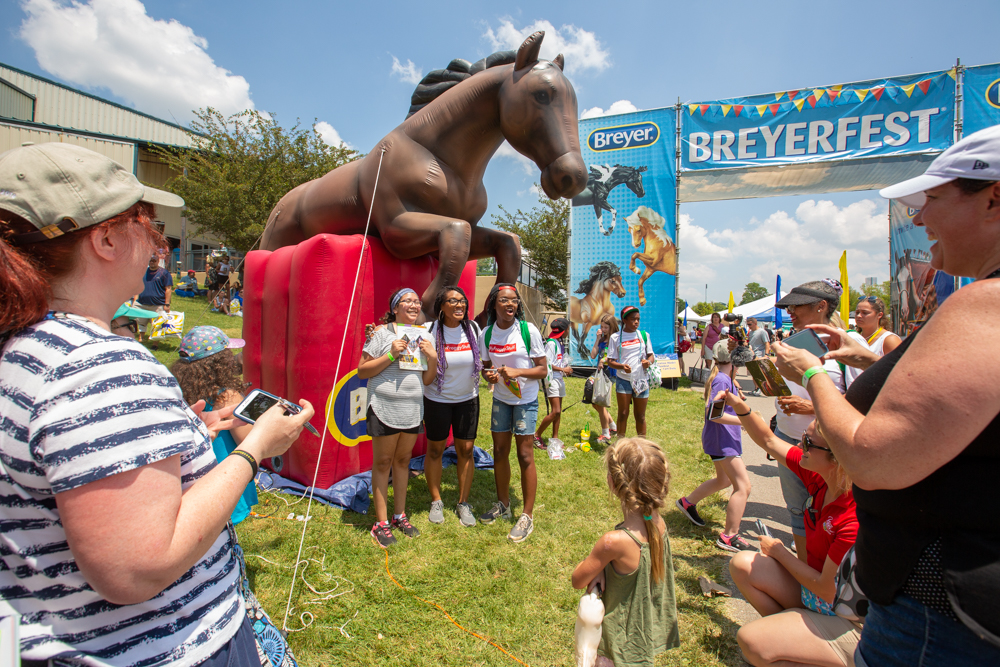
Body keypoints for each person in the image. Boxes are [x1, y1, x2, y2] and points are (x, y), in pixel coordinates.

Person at [0, 142, 314, 664]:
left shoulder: (26, 348)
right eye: (146, 227)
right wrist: (255, 447)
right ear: (103, 238)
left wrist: (175, 433)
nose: (158, 245)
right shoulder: (98, 366)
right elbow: (137, 567)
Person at [773, 126, 1000, 665]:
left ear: (994, 198)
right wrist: (875, 361)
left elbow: (874, 459)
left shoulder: (984, 305)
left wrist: (812, 374)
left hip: (936, 616)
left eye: (932, 199)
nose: (920, 218)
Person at [719, 392, 861, 667]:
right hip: (815, 594)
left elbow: (827, 589)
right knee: (743, 564)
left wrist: (780, 553)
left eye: (808, 442)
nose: (799, 444)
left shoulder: (852, 516)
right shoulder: (820, 474)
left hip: (843, 616)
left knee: (752, 642)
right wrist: (742, 408)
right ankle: (790, 638)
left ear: (836, 457)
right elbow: (769, 441)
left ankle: (803, 649)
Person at [571, 438, 680, 666]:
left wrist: (599, 566)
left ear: (613, 482)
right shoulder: (659, 524)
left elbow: (577, 579)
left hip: (618, 645)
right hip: (642, 639)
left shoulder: (613, 542)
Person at [771, 280, 847, 561]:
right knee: (797, 510)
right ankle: (807, 577)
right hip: (789, 439)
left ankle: (828, 580)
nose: (790, 311)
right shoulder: (793, 343)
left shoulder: (847, 345)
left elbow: (863, 401)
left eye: (797, 305)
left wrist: (810, 406)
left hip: (830, 451)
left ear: (821, 306)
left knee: (832, 514)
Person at [359, 287, 439, 548]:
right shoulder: (382, 333)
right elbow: (362, 370)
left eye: (417, 302)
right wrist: (391, 353)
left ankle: (399, 516)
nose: (414, 306)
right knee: (383, 463)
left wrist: (433, 358)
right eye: (408, 302)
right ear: (395, 308)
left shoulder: (424, 336)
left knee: (403, 461)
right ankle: (380, 523)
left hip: (412, 408)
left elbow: (426, 379)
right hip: (384, 406)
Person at [478, 283, 547, 542]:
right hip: (501, 400)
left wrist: (518, 372)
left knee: (525, 454)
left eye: (514, 300)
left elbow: (542, 370)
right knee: (499, 452)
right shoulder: (486, 334)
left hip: (525, 401)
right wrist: (490, 375)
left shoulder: (528, 331)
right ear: (494, 303)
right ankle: (504, 505)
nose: (510, 304)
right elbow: (486, 366)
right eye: (504, 300)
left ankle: (526, 516)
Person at [170, 326, 258, 526]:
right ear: (222, 362)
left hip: (195, 475)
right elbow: (249, 440)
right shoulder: (227, 396)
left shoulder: (178, 387)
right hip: (224, 478)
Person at [675, 341, 754, 552]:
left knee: (724, 480)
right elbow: (714, 414)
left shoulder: (725, 378)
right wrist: (746, 420)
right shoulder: (721, 380)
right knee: (743, 486)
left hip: (723, 440)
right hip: (723, 441)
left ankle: (687, 503)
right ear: (734, 360)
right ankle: (729, 536)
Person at [423, 286, 482, 527]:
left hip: (468, 399)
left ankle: (463, 502)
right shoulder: (430, 331)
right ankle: (436, 500)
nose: (459, 305)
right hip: (437, 400)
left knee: (466, 451)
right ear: (442, 306)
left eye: (462, 301)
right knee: (436, 450)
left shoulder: (474, 330)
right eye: (453, 301)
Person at [606, 306, 656, 438]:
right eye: (633, 319)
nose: (636, 322)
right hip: (623, 380)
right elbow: (610, 361)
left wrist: (648, 362)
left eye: (638, 319)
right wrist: (622, 366)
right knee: (623, 414)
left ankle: (642, 445)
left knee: (640, 416)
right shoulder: (615, 338)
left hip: (641, 380)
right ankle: (620, 445)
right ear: (624, 320)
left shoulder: (644, 335)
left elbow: (651, 356)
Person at [534, 317, 574, 448]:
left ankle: (555, 438)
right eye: (568, 328)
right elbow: (547, 364)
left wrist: (565, 368)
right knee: (555, 411)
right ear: (565, 330)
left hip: (560, 378)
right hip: (552, 380)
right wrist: (563, 369)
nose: (569, 331)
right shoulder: (551, 343)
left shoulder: (559, 341)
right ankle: (536, 435)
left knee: (558, 411)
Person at [589, 314, 619, 442]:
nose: (603, 329)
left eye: (606, 327)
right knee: (595, 403)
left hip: (610, 373)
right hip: (600, 373)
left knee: (600, 403)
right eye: (602, 327)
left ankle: (605, 433)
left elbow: (616, 355)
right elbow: (593, 354)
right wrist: (597, 338)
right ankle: (612, 426)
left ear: (612, 327)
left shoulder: (616, 339)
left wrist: (605, 359)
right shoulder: (602, 340)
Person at [134, 252, 172, 335]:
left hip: (157, 304)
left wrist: (167, 304)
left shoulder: (164, 273)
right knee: (141, 322)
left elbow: (168, 289)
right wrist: (135, 300)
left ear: (158, 261)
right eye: (150, 260)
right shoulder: (143, 272)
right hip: (142, 303)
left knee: (157, 324)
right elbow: (138, 287)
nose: (152, 262)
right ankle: (141, 339)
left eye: (154, 261)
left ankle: (155, 344)